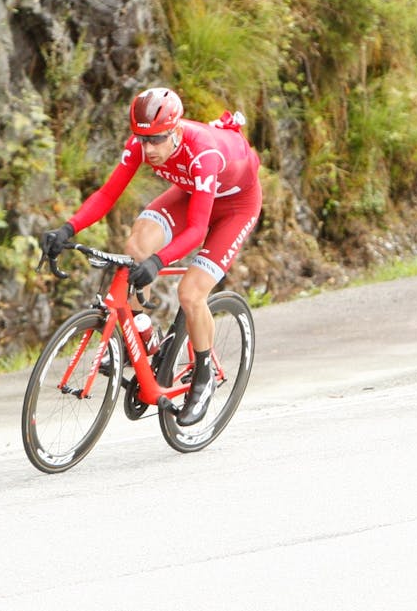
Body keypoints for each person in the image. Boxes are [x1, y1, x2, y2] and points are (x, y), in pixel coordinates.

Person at [41, 87, 262, 426]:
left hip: (235, 207)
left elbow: (197, 231)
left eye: (157, 140)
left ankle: (202, 379)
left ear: (175, 132)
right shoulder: (141, 146)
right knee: (136, 246)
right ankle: (145, 336)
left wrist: (158, 263)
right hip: (192, 193)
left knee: (190, 292)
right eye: (142, 139)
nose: (148, 149)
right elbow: (106, 194)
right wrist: (67, 230)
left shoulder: (204, 154)